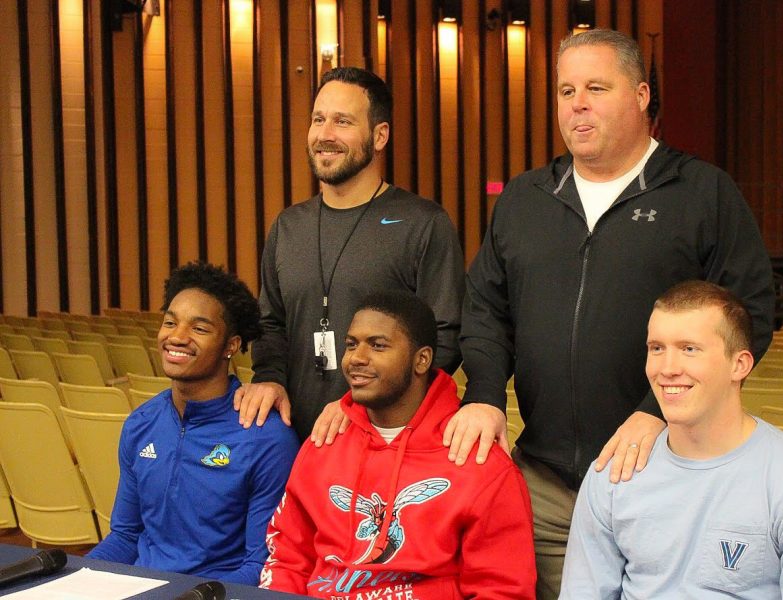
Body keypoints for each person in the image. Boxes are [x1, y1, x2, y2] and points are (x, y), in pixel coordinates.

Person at [444, 29, 775, 598]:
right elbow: (485, 311)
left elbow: (748, 316)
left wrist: (657, 412)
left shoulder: (701, 193)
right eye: (566, 90)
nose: (577, 103)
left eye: (597, 87)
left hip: (666, 474)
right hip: (546, 485)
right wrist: (484, 395)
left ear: (642, 94)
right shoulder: (526, 199)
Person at [560, 280, 783, 598]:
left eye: (689, 349)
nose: (667, 368)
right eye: (657, 348)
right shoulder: (613, 473)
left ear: (739, 364)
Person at [235, 67, 465, 441]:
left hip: (382, 443)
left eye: (342, 121)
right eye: (318, 119)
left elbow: (444, 336)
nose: (325, 135)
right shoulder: (288, 227)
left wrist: (366, 407)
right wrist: (269, 379)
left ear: (379, 136)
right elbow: (270, 323)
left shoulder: (423, 223)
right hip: (295, 440)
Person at [259, 291, 536, 598]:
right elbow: (287, 559)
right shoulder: (325, 440)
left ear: (422, 360)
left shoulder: (479, 462)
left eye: (378, 345)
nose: (356, 358)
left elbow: (501, 590)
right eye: (351, 344)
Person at [88, 262, 300, 585]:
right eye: (170, 322)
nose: (177, 337)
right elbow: (126, 537)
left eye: (199, 329)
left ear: (231, 345)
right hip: (142, 587)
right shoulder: (140, 424)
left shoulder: (266, 437)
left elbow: (262, 563)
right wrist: (77, 578)